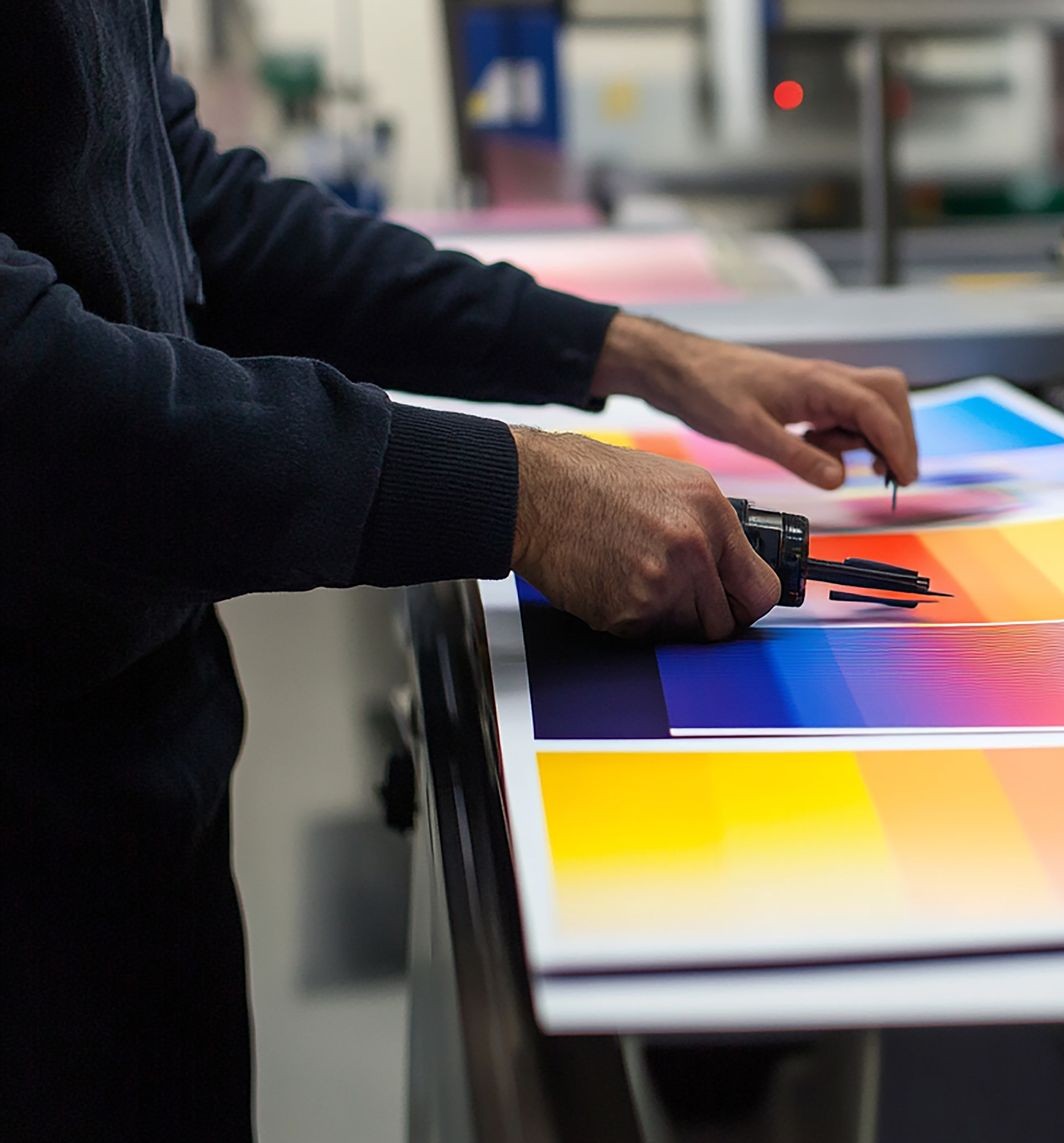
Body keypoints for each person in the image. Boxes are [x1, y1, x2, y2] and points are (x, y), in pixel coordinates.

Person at [0, 4, 920, 1139]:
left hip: (143, 749)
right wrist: (517, 493)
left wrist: (637, 353)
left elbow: (189, 212)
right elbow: (23, 382)